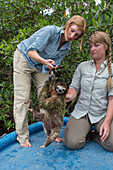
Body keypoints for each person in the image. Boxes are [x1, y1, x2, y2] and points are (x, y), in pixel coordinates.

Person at [13, 15, 86, 147]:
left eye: (77, 34)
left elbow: (53, 64)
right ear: (68, 25)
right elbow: (31, 51)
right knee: (23, 98)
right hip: (24, 59)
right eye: (72, 30)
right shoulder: (50, 31)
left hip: (41, 67)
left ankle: (50, 133)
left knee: (47, 100)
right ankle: (22, 136)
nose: (72, 35)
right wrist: (44, 61)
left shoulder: (66, 48)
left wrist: (52, 65)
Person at [64, 31, 113, 151]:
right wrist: (69, 95)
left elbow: (112, 99)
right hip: (82, 113)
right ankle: (86, 134)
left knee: (111, 144)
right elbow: (74, 87)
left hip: (102, 114)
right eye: (91, 46)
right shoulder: (82, 66)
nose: (92, 49)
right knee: (72, 143)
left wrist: (107, 122)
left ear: (106, 47)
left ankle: (95, 135)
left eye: (96, 45)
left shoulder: (111, 70)